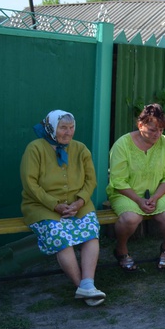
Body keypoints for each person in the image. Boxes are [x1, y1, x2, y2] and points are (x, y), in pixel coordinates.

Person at [20, 111, 106, 306]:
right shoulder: (35, 149)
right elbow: (30, 184)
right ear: (51, 128)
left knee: (91, 232)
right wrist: (54, 205)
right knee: (60, 237)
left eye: (71, 127)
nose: (68, 133)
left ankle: (88, 284)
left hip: (78, 204)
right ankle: (83, 288)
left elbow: (91, 181)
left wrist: (80, 201)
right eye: (63, 128)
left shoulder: (81, 149)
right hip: (42, 206)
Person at [106, 103, 165, 271]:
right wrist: (139, 200)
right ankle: (121, 250)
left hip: (157, 192)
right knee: (130, 219)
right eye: (153, 130)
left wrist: (155, 197)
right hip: (126, 193)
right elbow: (118, 181)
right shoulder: (122, 144)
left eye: (161, 130)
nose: (158, 135)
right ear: (140, 125)